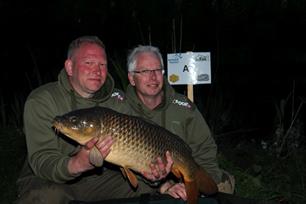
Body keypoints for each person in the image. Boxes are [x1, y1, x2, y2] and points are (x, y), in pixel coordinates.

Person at [16, 36, 173, 204]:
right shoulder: (43, 100)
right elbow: (42, 160)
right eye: (89, 63)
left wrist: (160, 181)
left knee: (153, 192)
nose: (97, 71)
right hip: (47, 177)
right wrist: (77, 163)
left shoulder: (117, 100)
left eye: (102, 65)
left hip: (96, 179)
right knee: (47, 196)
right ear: (70, 67)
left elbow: (138, 147)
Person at [125, 45, 235, 201]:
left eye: (158, 70)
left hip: (183, 178)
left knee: (219, 187)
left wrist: (199, 187)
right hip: (145, 188)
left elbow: (205, 151)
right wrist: (164, 186)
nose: (153, 77)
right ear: (131, 78)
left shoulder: (183, 106)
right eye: (145, 71)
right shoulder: (120, 109)